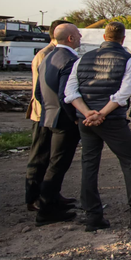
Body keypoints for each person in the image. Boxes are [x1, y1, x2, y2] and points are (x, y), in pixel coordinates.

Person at [64, 21, 131, 232]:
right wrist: (102, 114)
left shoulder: (81, 60)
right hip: (112, 120)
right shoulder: (127, 60)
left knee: (89, 165)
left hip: (87, 120)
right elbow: (123, 94)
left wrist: (87, 112)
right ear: (123, 39)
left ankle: (93, 216)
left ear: (104, 37)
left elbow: (70, 92)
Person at [33, 23, 83, 225]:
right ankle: (46, 210)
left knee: (53, 163)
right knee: (58, 165)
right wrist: (74, 117)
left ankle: (53, 200)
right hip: (64, 121)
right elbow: (67, 95)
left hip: (49, 117)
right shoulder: (70, 60)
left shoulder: (48, 57)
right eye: (78, 33)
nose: (80, 36)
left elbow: (38, 92)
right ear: (70, 38)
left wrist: (48, 110)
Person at [24, 20, 76, 212]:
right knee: (40, 157)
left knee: (52, 158)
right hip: (44, 115)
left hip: (50, 113)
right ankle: (34, 197)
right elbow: (41, 90)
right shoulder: (46, 55)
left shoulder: (56, 53)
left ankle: (51, 195)